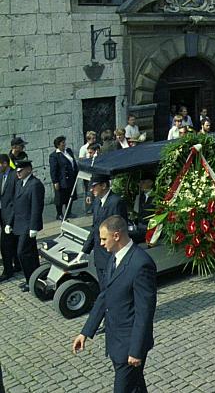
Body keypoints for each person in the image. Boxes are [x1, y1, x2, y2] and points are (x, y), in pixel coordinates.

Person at [72, 216, 156, 393]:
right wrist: (86, 332)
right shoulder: (114, 258)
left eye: (104, 239)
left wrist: (136, 350)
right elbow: (105, 296)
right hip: (116, 342)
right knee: (136, 387)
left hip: (129, 346)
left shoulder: (141, 264)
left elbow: (144, 312)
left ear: (116, 236)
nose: (101, 243)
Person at [76, 174, 128, 289]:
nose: (91, 189)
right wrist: (84, 250)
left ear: (103, 185)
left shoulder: (116, 202)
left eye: (94, 186)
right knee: (103, 288)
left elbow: (120, 230)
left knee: (114, 288)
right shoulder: (97, 202)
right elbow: (95, 228)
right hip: (100, 255)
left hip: (111, 255)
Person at [6, 159, 44, 292]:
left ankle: (31, 280)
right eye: (17, 171)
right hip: (19, 223)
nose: (18, 173)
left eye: (21, 171)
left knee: (22, 252)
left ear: (28, 169)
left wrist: (34, 226)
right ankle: (34, 279)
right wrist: (9, 223)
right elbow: (15, 205)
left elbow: (36, 207)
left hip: (28, 225)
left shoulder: (35, 184)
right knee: (31, 253)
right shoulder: (19, 183)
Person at [49, 136, 78, 220]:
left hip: (71, 178)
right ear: (58, 145)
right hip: (62, 179)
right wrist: (55, 182)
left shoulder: (68, 151)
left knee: (70, 195)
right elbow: (53, 170)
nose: (64, 144)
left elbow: (73, 162)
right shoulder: (54, 156)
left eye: (64, 142)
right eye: (62, 143)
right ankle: (59, 214)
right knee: (60, 197)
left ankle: (68, 212)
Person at [0, 154, 18, 282]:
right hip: (1, 214)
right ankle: (17, 265)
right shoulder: (0, 175)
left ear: (5, 164)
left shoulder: (14, 176)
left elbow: (15, 200)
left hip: (10, 216)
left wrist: (10, 220)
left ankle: (8, 271)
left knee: (6, 244)